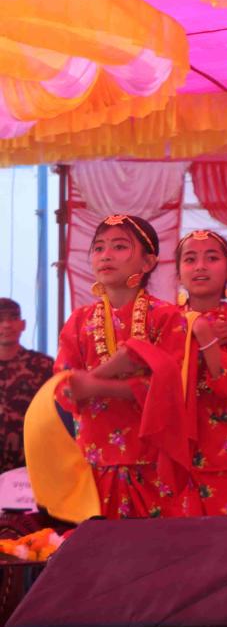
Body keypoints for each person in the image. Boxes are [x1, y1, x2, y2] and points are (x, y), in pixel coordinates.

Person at [54, 213, 192, 518]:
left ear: (148, 262)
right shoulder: (78, 321)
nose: (106, 255)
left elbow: (168, 389)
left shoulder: (167, 317)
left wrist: (94, 385)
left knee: (154, 546)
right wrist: (107, 372)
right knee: (99, 546)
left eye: (119, 246)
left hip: (152, 463)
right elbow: (64, 391)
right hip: (93, 464)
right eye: (98, 247)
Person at [177, 229, 227, 516]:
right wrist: (199, 336)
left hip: (223, 451)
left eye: (211, 258)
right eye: (190, 259)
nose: (200, 266)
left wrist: (206, 341)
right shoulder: (163, 323)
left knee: (226, 538)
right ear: (178, 274)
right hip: (171, 453)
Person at [0, 298, 52, 472]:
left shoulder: (43, 366)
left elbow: (55, 413)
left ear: (23, 324)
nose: (7, 325)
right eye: (0, 319)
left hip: (28, 464)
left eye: (13, 318)